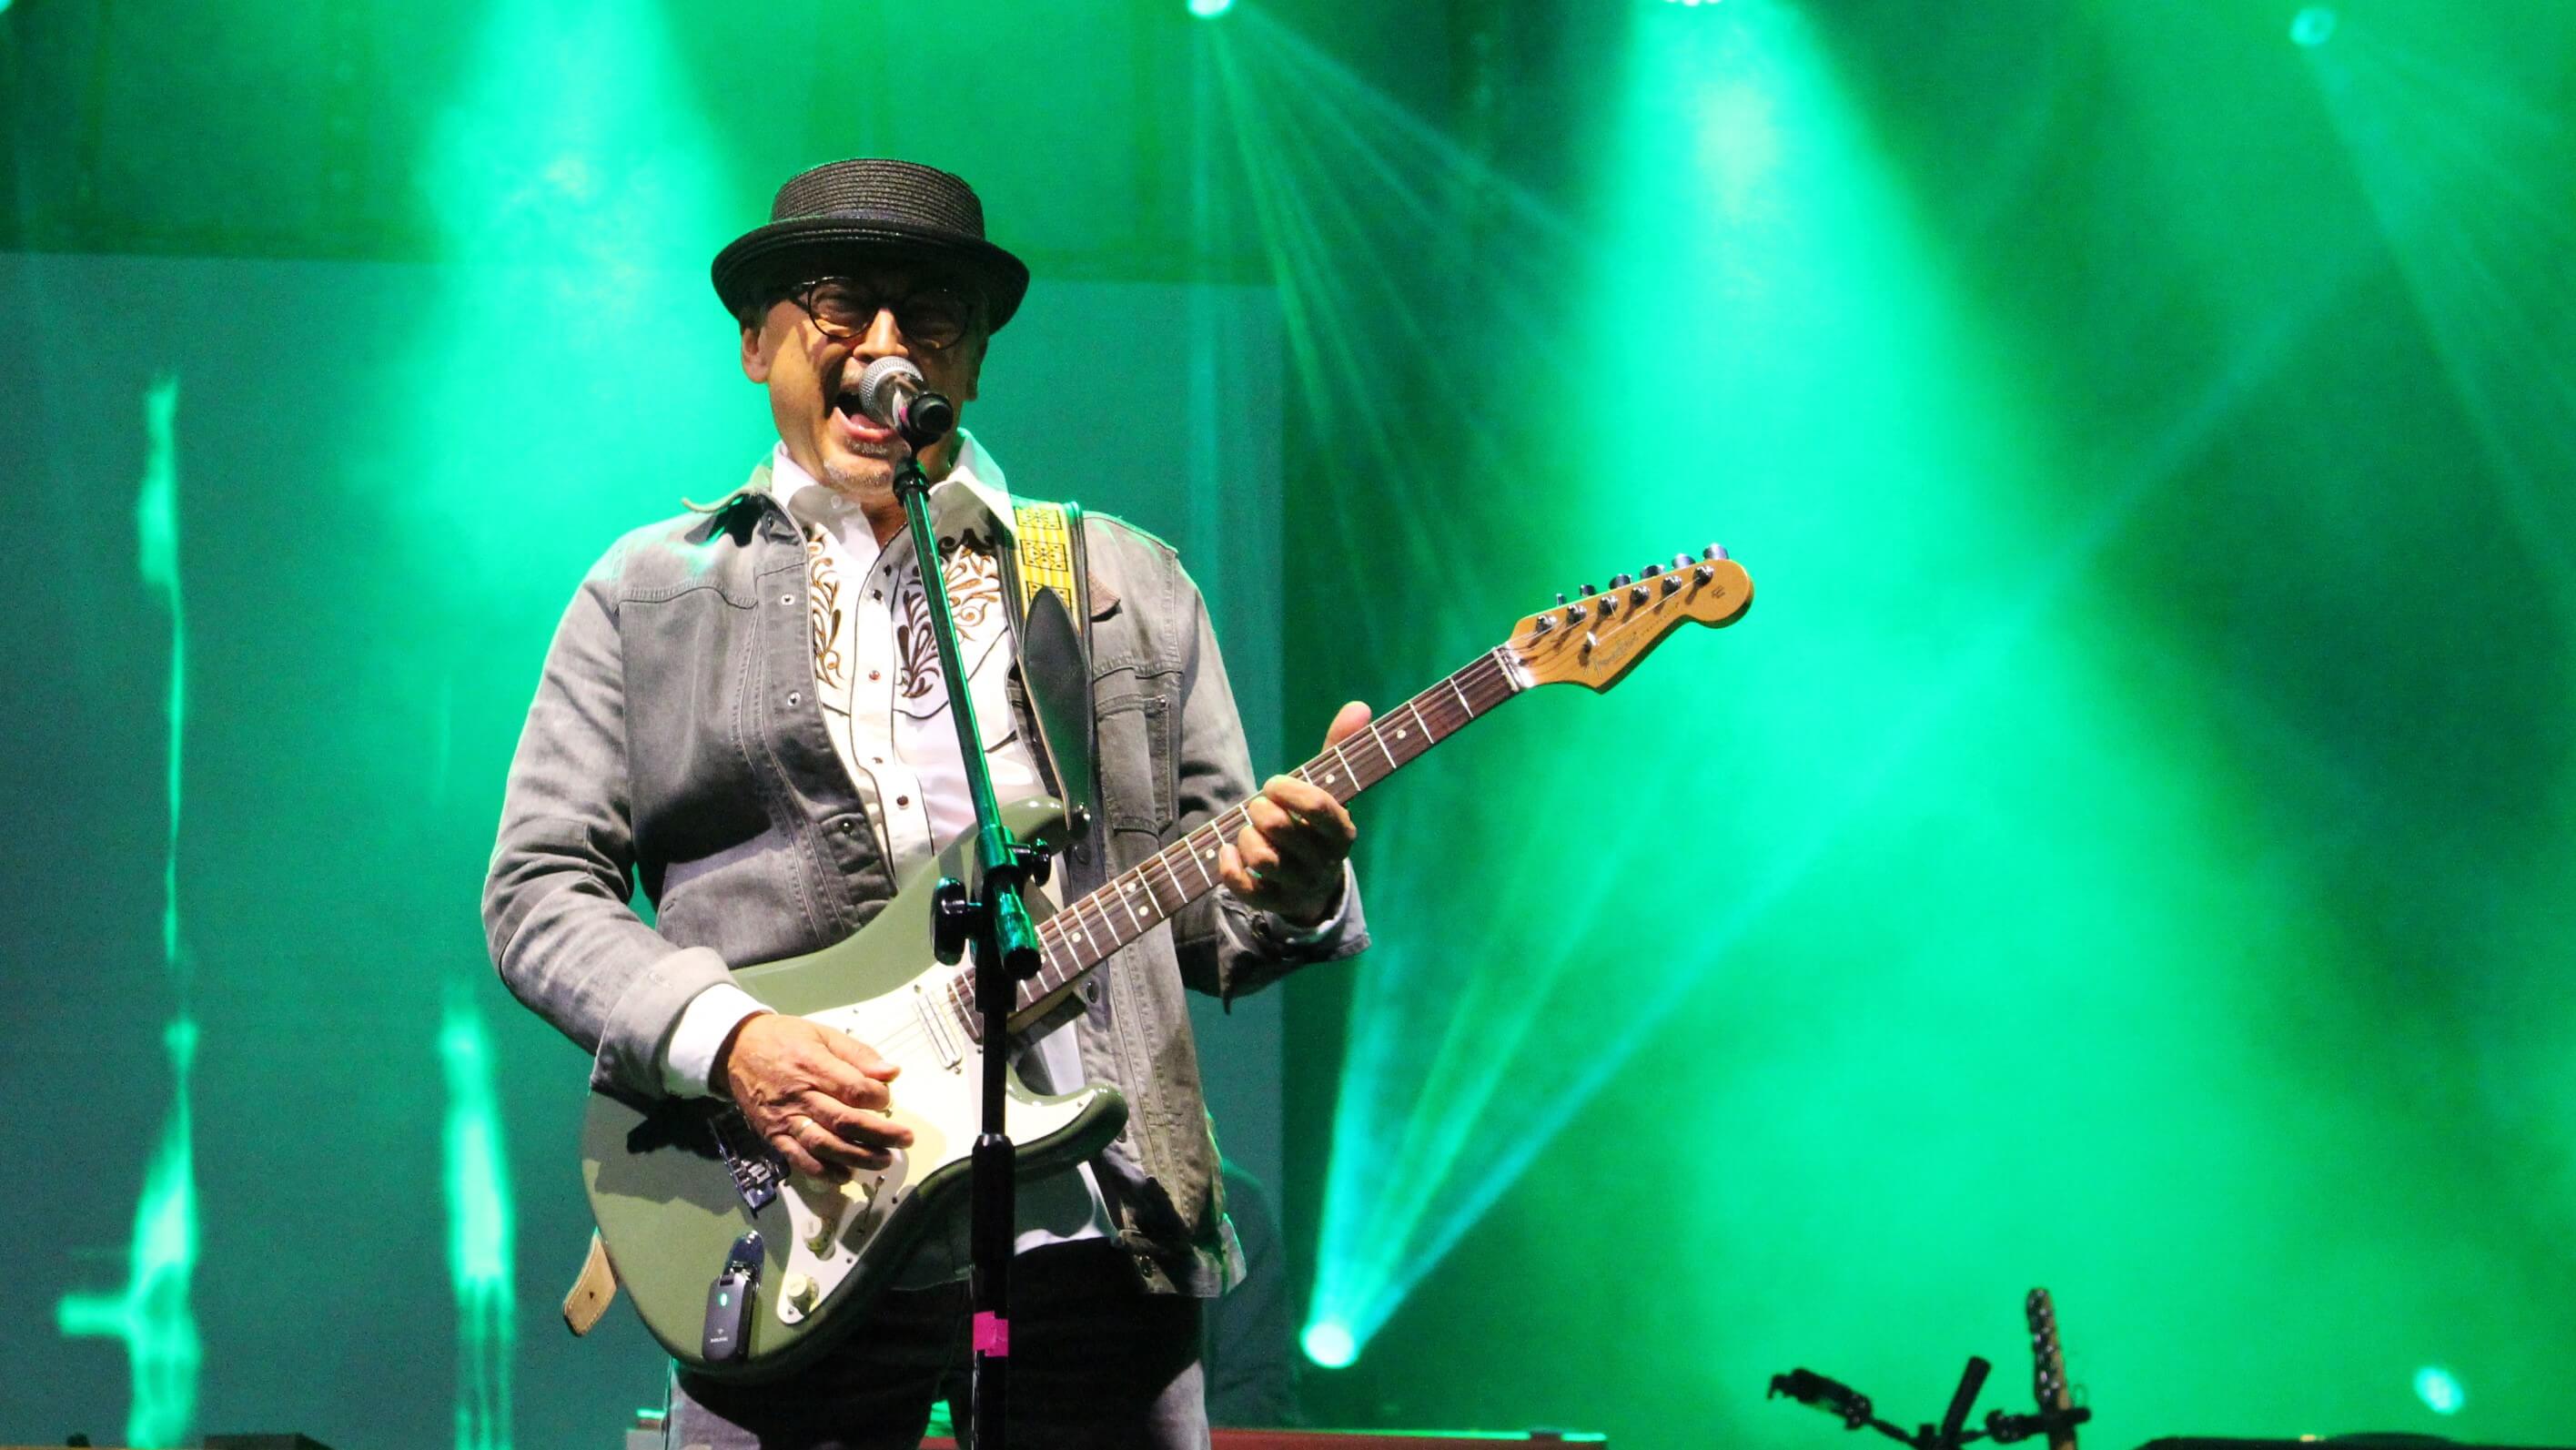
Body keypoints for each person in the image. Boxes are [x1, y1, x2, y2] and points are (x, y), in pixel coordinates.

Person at [481, 157, 1371, 1449]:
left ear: (977, 359)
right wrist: (731, 1041)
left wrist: (1294, 887)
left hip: (1093, 1244)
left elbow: (1209, 915)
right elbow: (538, 890)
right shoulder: (648, 595)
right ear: (758, 344)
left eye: (933, 315)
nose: (887, 347)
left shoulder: (1127, 585)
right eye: (841, 307)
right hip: (784, 1227)